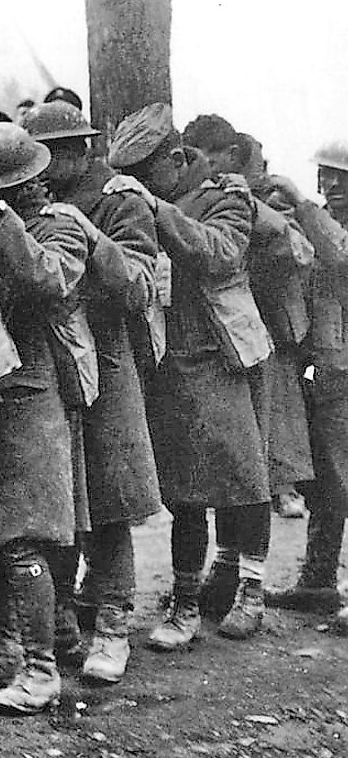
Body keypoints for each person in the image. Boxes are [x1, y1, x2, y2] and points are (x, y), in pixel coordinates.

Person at [104, 103, 271, 649]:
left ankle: (252, 589)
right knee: (185, 491)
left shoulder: (228, 195)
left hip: (224, 357)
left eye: (146, 174)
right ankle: (185, 601)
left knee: (244, 479)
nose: (138, 186)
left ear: (175, 159)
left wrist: (154, 207)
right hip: (169, 360)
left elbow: (219, 254)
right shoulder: (159, 197)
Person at [0, 122, 94, 714]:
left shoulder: (61, 225)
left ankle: (41, 669)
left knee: (23, 533)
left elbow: (48, 279)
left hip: (35, 395)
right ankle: (2, 649)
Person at [22, 99, 162, 684]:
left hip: (106, 359)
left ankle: (112, 626)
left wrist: (86, 233)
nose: (40, 167)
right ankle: (61, 624)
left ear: (80, 151)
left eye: (50, 155)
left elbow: (139, 286)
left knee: (109, 503)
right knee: (58, 500)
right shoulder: (30, 201)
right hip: (51, 360)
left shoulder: (120, 199)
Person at [181, 114, 312, 620]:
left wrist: (253, 199)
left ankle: (250, 589)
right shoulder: (202, 201)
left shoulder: (259, 208)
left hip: (262, 352)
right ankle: (227, 566)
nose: (207, 171)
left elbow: (297, 251)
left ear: (235, 159)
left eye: (213, 159)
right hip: (216, 351)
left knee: (253, 471)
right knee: (221, 472)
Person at [264, 142, 348, 619]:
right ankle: (317, 580)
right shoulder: (319, 224)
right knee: (325, 481)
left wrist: (301, 205)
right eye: (326, 176)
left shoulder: (328, 229)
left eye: (343, 177)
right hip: (323, 369)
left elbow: (340, 258)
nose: (332, 186)